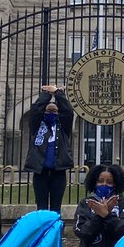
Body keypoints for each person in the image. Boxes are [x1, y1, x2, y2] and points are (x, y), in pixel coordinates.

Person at [25, 84, 73, 212]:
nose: (51, 113)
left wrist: (58, 94)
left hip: (59, 172)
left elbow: (68, 111)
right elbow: (35, 110)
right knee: (41, 207)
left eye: (54, 111)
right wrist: (46, 95)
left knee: (56, 208)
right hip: (41, 172)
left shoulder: (63, 128)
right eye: (48, 111)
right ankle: (43, 230)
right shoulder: (36, 126)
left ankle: (55, 230)